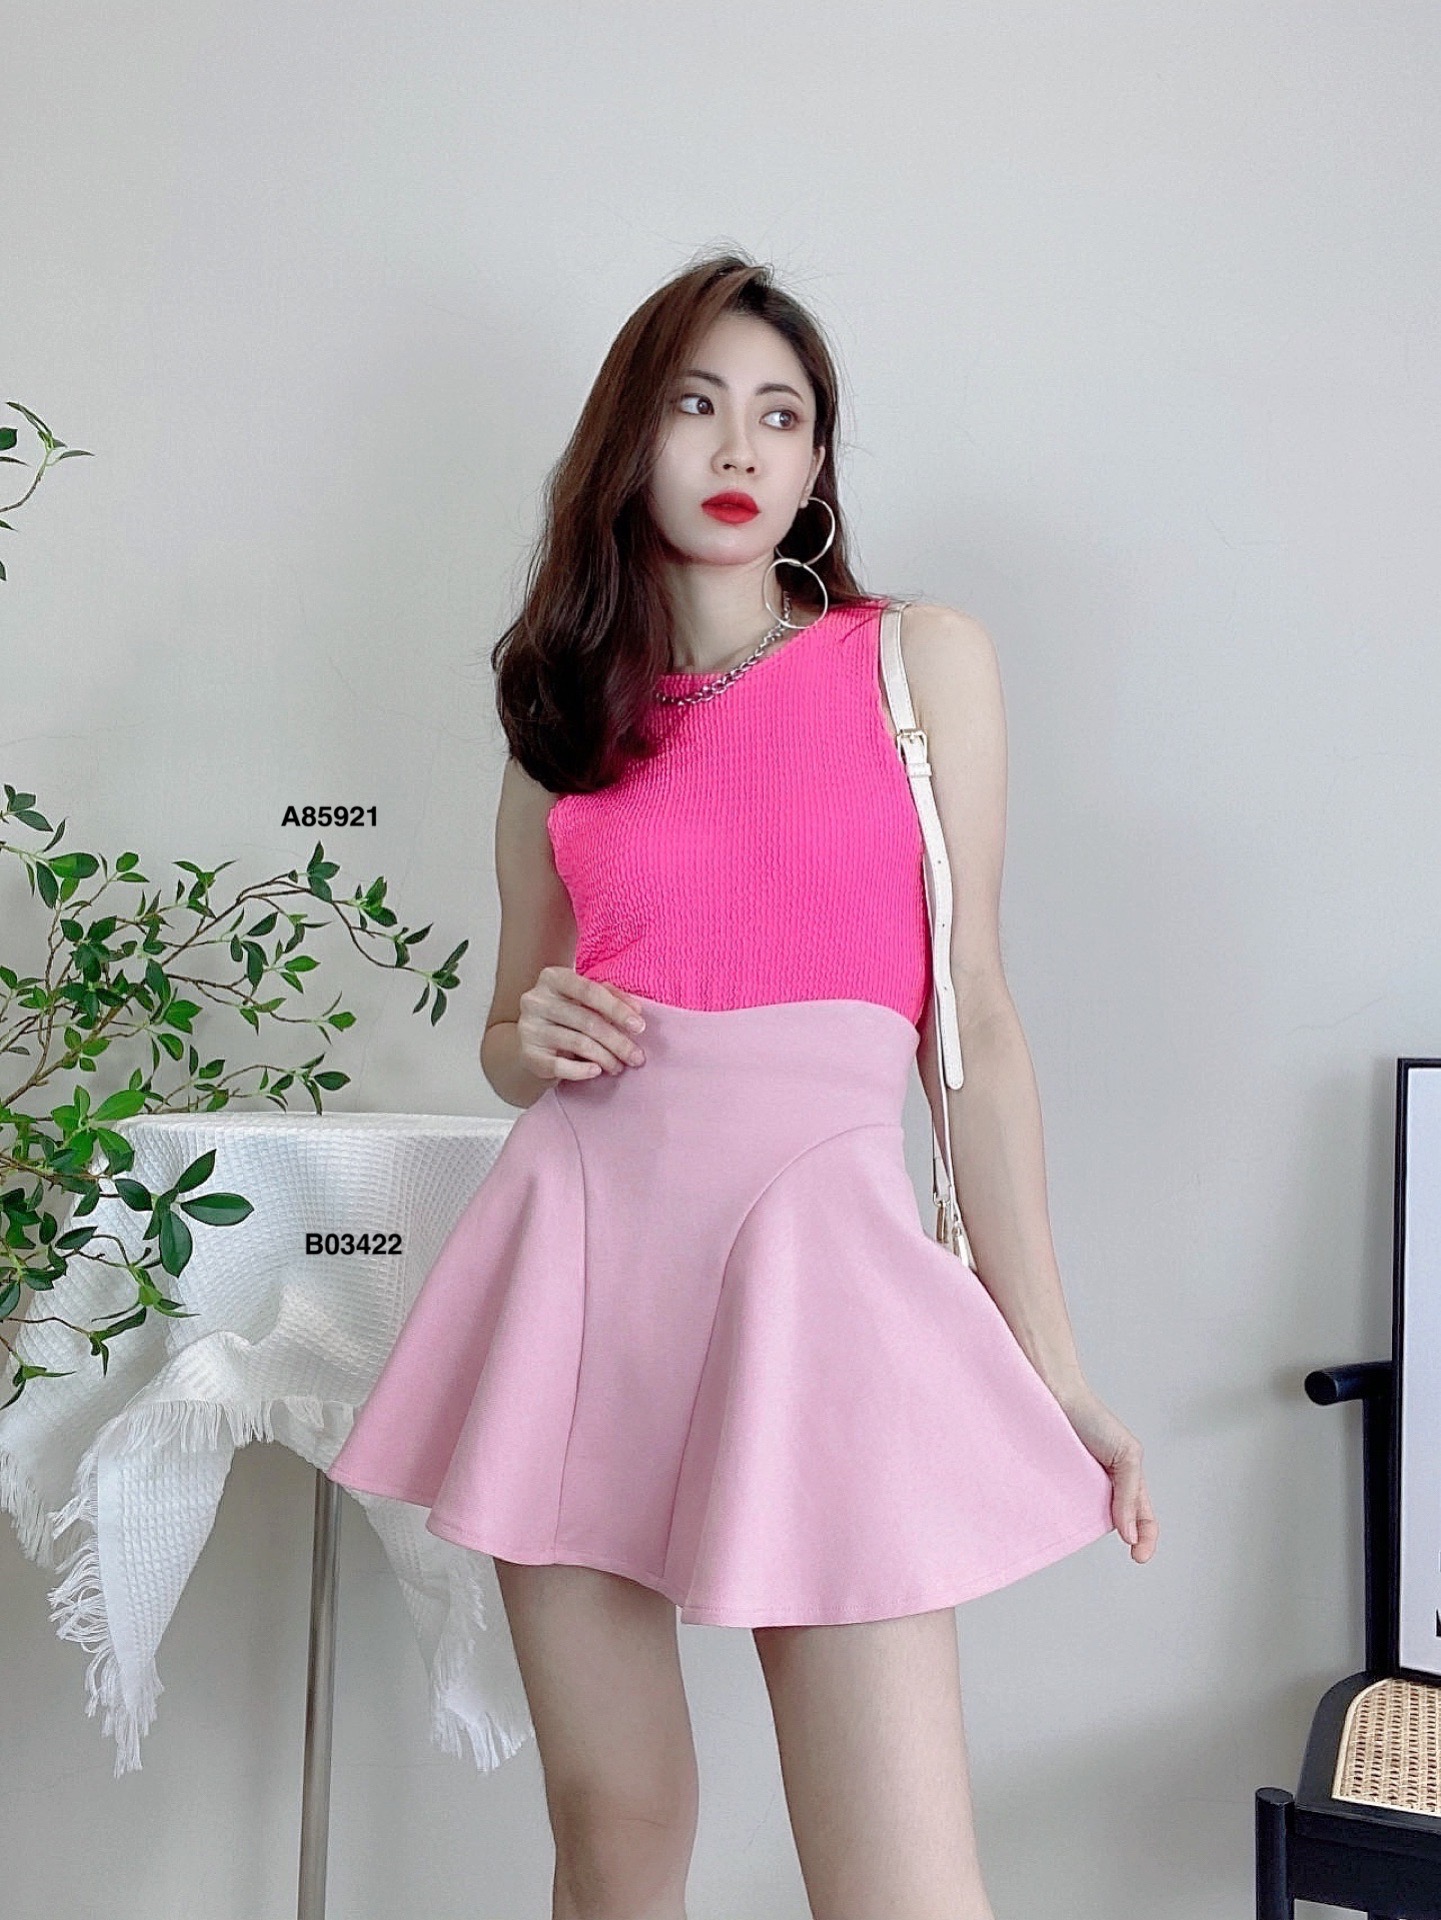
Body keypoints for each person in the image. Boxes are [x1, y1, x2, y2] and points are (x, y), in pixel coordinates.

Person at [327, 249, 1159, 1920]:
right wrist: (531, 1036)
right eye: (695, 405)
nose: (737, 447)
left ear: (816, 461)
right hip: (580, 1260)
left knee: (900, 1886)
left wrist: (1054, 1370)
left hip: (815, 1269)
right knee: (615, 1838)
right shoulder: (565, 724)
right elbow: (508, 1034)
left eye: (779, 416)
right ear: (627, 441)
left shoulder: (916, 661)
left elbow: (973, 1029)